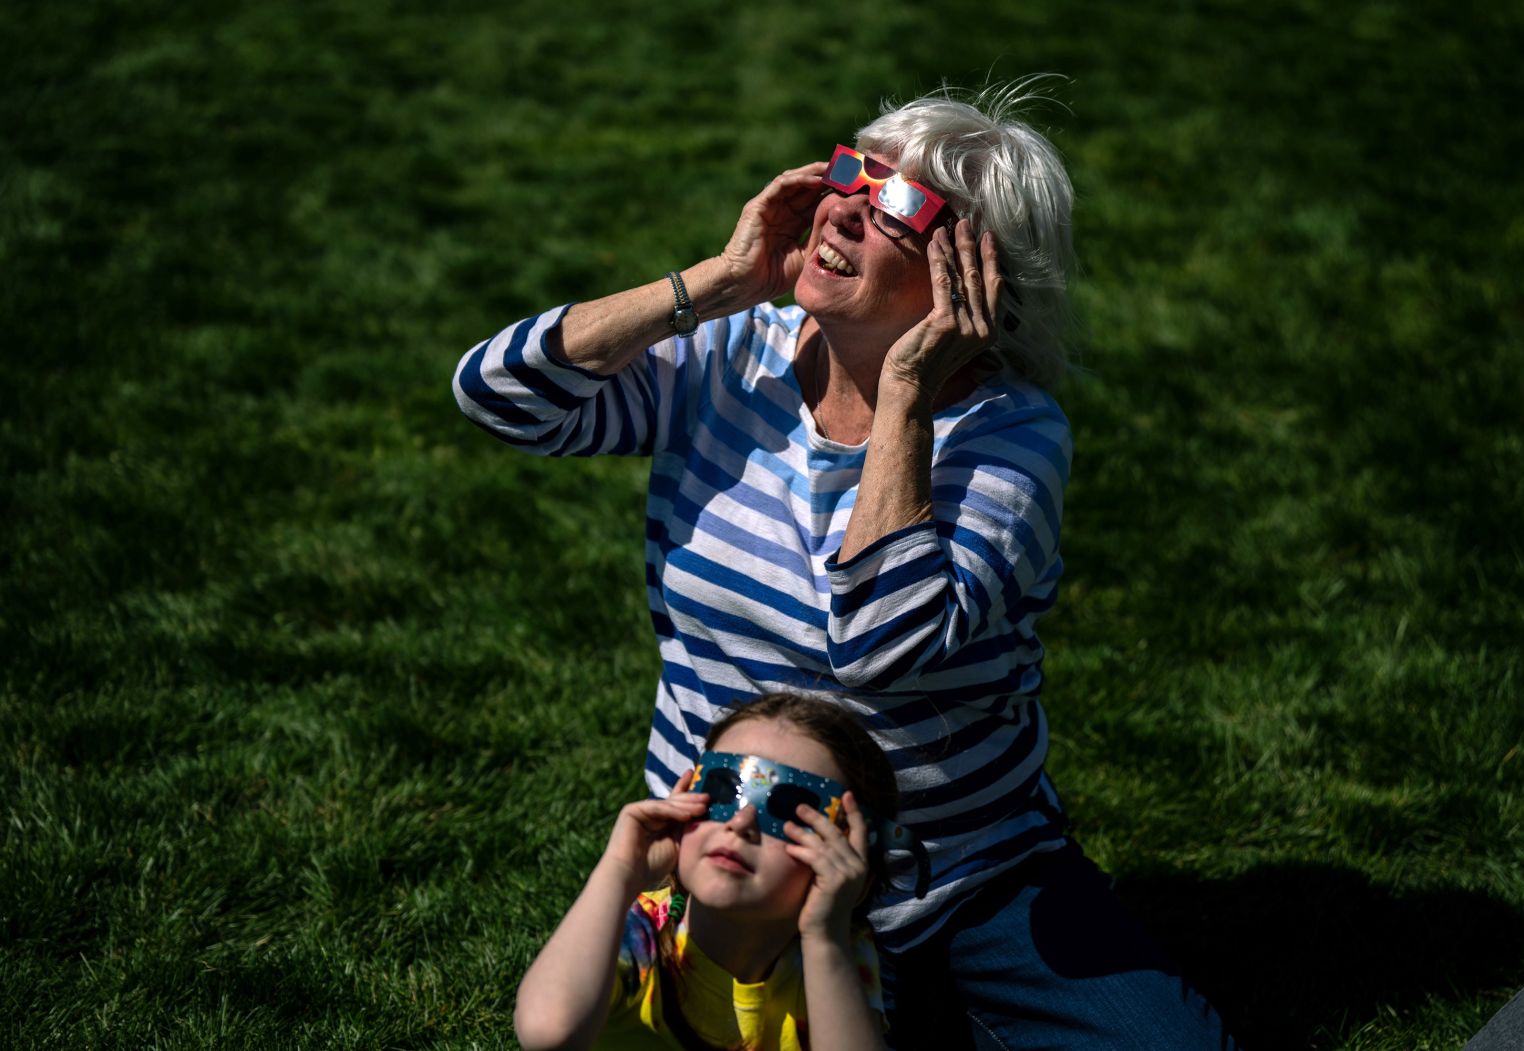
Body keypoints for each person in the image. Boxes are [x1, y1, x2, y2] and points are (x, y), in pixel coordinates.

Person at [459, 79, 1236, 1046]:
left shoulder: (1010, 438)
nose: (844, 212)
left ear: (979, 281)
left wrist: (906, 390)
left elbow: (881, 641)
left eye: (902, 210)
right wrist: (714, 285)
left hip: (961, 868)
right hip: (742, 848)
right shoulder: (732, 357)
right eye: (851, 172)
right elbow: (503, 397)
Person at [512, 692, 901, 1050]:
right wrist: (618, 871)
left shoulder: (834, 950)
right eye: (723, 790)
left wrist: (825, 938)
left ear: (852, 866)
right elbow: (548, 1033)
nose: (742, 822)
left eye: (791, 811)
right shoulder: (641, 930)